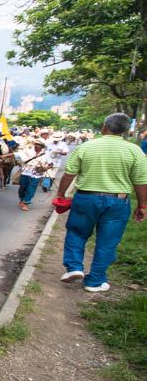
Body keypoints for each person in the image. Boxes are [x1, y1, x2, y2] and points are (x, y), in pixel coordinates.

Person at [54, 113, 147, 293]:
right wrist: (143, 205)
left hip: (85, 198)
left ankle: (74, 267)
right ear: (126, 131)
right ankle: (95, 281)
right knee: (107, 241)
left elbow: (69, 174)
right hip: (118, 202)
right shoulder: (135, 151)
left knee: (77, 232)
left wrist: (61, 194)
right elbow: (141, 181)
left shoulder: (87, 146)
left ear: (104, 127)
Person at [16, 139, 52, 211]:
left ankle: (26, 203)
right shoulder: (28, 151)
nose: (36, 146)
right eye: (35, 144)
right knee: (22, 188)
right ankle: (22, 199)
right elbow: (19, 158)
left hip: (36, 174)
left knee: (31, 188)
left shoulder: (46, 154)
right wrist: (19, 162)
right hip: (25, 172)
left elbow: (50, 164)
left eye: (38, 145)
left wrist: (45, 168)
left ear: (42, 146)